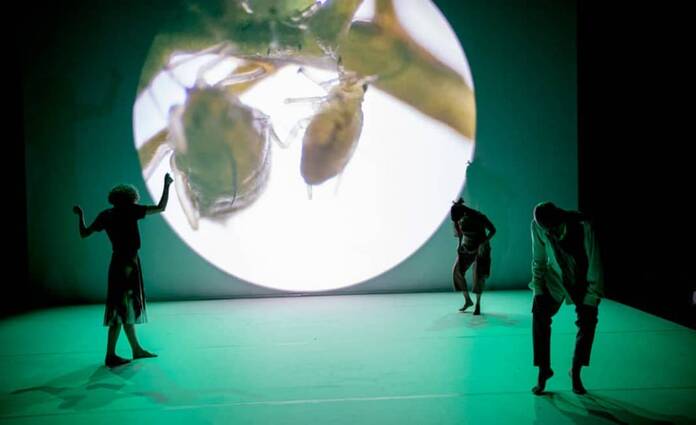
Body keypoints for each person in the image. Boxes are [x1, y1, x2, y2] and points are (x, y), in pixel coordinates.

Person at [73, 173, 173, 367]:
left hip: (117, 263)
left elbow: (84, 233)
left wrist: (80, 215)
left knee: (124, 310)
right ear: (130, 198)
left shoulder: (106, 215)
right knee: (120, 311)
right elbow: (161, 207)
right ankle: (110, 355)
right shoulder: (130, 211)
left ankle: (136, 349)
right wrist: (167, 185)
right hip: (129, 264)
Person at [529, 201, 604, 395]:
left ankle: (576, 371)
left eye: (554, 229)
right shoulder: (538, 226)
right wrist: (538, 290)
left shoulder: (584, 227)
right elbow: (538, 259)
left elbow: (594, 265)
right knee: (539, 312)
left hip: (581, 279)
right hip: (555, 277)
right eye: (547, 231)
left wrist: (592, 297)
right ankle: (544, 369)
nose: (550, 234)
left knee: (588, 321)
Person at [450, 198, 496, 315]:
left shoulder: (479, 217)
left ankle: (478, 304)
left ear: (463, 213)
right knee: (457, 271)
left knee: (478, 274)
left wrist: (483, 243)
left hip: (481, 247)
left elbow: (493, 230)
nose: (457, 221)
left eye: (458, 219)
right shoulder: (458, 219)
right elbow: (460, 233)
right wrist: (459, 245)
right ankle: (468, 300)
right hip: (467, 246)